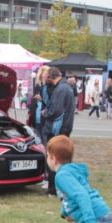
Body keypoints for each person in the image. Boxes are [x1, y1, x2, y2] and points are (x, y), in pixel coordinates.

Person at [41, 67, 75, 195]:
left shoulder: (61, 89)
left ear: (51, 77)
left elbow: (56, 110)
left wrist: (45, 113)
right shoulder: (65, 87)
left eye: (46, 77)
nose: (45, 80)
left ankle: (53, 189)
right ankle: (60, 188)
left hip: (57, 129)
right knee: (64, 160)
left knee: (54, 159)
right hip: (64, 128)